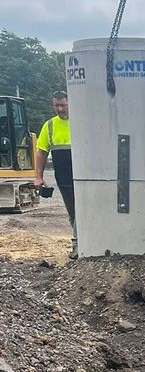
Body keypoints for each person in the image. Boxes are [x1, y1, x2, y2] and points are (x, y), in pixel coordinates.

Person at [34, 91, 77, 257]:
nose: (60, 109)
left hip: (85, 178)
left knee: (85, 210)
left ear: (70, 103)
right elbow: (41, 152)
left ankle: (79, 243)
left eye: (63, 105)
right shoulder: (50, 126)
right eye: (56, 105)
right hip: (64, 178)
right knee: (73, 212)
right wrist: (39, 176)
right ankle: (78, 244)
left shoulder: (81, 121)